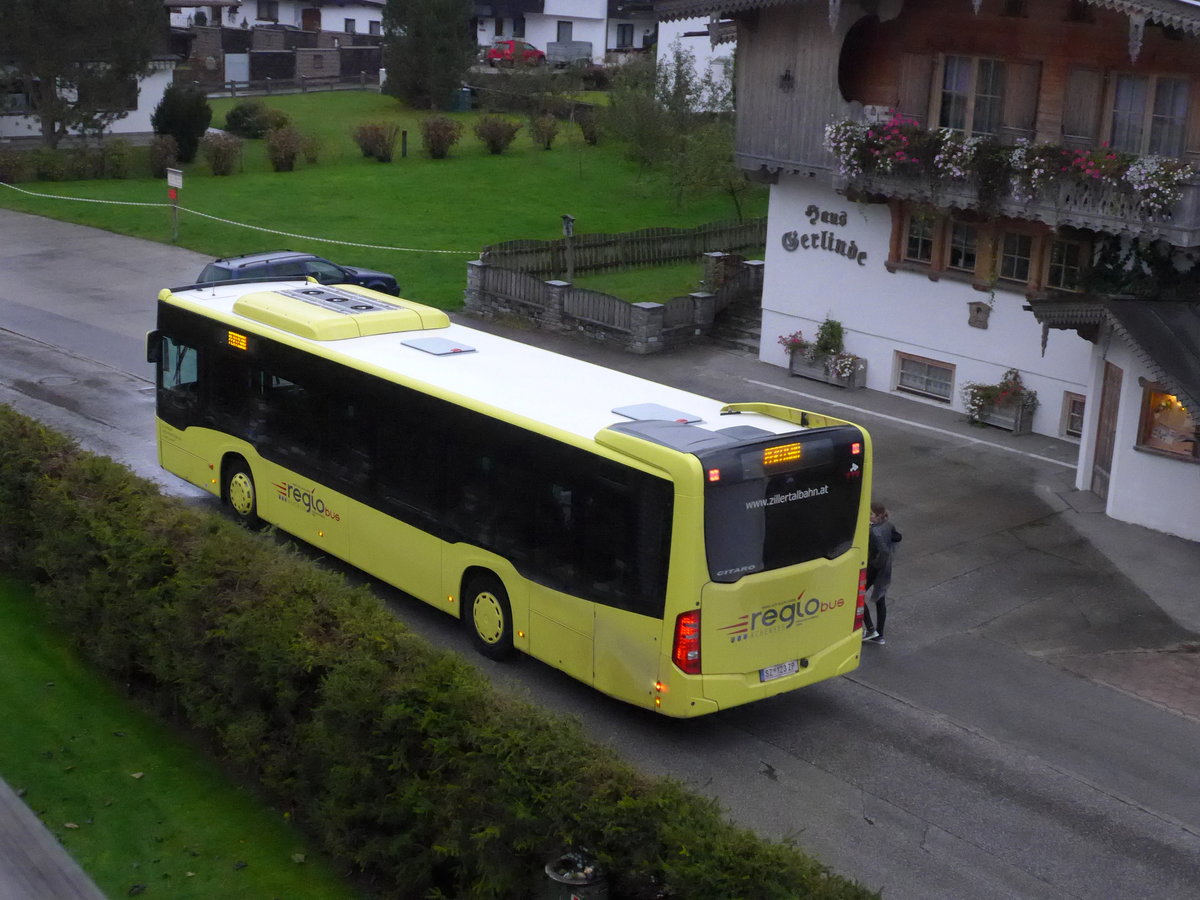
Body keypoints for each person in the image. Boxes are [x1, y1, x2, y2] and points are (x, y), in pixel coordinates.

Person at [862, 501, 901, 645]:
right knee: (880, 598)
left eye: (871, 514)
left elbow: (883, 551)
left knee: (857, 596)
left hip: (875, 567)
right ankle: (879, 634)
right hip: (885, 568)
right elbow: (897, 537)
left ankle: (871, 630)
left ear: (878, 516)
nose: (869, 516)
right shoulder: (888, 525)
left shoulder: (874, 532)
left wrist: (875, 563)